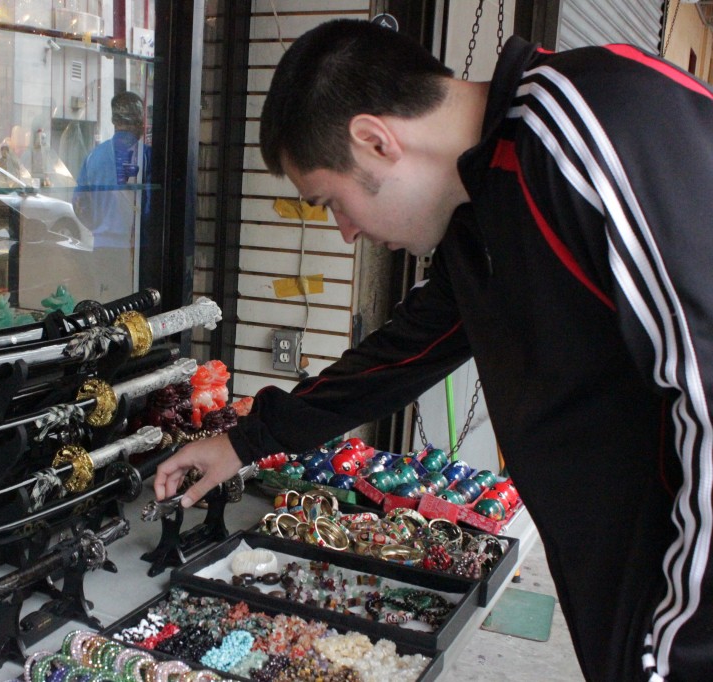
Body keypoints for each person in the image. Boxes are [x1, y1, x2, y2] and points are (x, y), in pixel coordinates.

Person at [154, 18, 713, 682]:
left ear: (376, 140)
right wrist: (245, 440)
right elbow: (402, 355)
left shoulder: (593, 126)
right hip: (627, 587)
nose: (346, 232)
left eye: (332, 202)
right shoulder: (480, 211)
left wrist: (680, 654)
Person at [73, 91, 152, 301]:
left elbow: (79, 203)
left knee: (106, 303)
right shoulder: (146, 156)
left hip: (102, 247)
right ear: (139, 121)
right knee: (135, 306)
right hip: (136, 247)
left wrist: (98, 226)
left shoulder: (94, 156)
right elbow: (150, 209)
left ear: (114, 120)